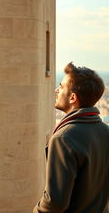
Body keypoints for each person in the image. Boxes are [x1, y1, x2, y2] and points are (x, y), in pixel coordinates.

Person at [33, 62, 109, 213]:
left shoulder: (64, 138)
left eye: (61, 87)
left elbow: (55, 202)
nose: (56, 90)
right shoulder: (105, 131)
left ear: (72, 97)